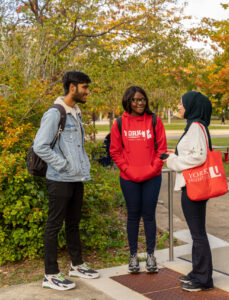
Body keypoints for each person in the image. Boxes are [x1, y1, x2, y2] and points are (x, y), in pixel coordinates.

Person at [33, 71, 99, 291]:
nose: (87, 92)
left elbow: (77, 146)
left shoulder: (76, 112)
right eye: (84, 87)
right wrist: (62, 165)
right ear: (72, 87)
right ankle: (50, 274)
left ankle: (77, 265)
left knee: (73, 222)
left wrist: (83, 167)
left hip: (76, 178)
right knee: (54, 224)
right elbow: (40, 146)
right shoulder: (55, 113)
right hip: (59, 178)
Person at [110, 86, 167, 274]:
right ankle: (133, 256)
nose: (140, 103)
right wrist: (127, 170)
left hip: (152, 177)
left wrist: (152, 169)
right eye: (135, 100)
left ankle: (151, 255)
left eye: (142, 99)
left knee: (149, 215)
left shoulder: (155, 120)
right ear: (128, 101)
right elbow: (115, 151)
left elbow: (162, 150)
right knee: (133, 215)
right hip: (129, 178)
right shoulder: (119, 123)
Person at [166, 91, 214, 292]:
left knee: (198, 234)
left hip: (193, 186)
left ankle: (203, 279)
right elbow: (195, 153)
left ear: (192, 106)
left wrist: (172, 161)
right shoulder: (195, 125)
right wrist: (174, 155)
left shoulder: (195, 127)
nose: (179, 106)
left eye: (181, 103)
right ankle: (198, 272)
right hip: (192, 185)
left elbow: (200, 157)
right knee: (197, 234)